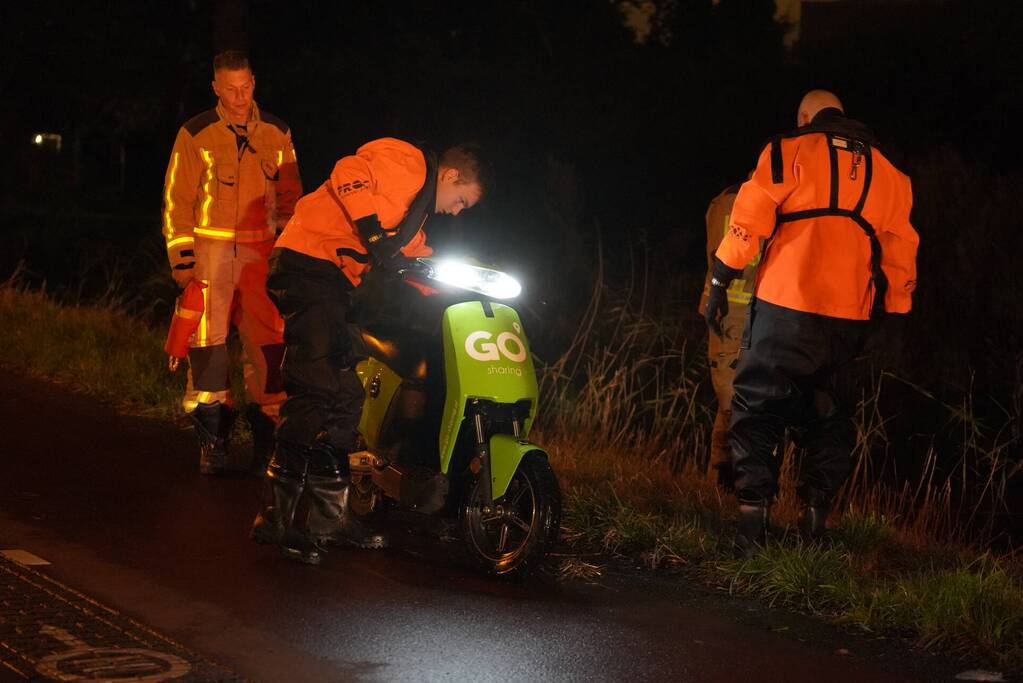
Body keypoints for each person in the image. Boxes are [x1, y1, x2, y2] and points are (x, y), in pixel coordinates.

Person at [250, 138, 491, 564]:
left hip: (333, 282)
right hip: (306, 265)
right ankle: (275, 519)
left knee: (347, 398)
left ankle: (330, 520)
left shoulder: (413, 222)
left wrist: (479, 282)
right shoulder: (410, 162)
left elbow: (418, 261)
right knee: (315, 388)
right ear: (451, 176)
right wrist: (372, 232)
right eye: (461, 201)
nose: (456, 211)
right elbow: (348, 172)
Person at [704, 90, 919, 555]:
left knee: (757, 407)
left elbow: (749, 219)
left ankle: (752, 524)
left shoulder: (788, 151)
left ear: (805, 117)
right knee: (831, 417)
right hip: (848, 319)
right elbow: (901, 248)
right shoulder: (891, 174)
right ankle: (815, 525)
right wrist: (897, 311)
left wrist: (720, 279)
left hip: (784, 305)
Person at [162, 51, 302, 476]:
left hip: (262, 253)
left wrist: (291, 254)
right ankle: (213, 444)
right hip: (211, 253)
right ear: (217, 88)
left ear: (254, 83)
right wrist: (183, 262)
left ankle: (268, 446)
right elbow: (177, 200)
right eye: (231, 90)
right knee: (208, 346)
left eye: (246, 88)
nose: (240, 98)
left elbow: (292, 198)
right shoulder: (196, 132)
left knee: (270, 345)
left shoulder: (278, 132)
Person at [699, 182, 759, 491]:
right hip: (734, 313)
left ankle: (721, 479)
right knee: (734, 402)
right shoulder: (739, 201)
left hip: (737, 312)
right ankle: (733, 482)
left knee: (736, 399)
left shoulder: (725, 199)